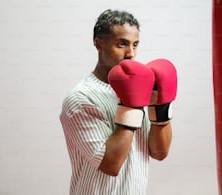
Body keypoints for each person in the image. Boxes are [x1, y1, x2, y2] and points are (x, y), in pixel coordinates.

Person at [59, 9, 177, 195]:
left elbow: (159, 153)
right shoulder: (80, 98)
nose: (131, 54)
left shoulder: (140, 86)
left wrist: (160, 106)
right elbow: (111, 165)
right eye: (122, 44)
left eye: (135, 45)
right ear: (99, 44)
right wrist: (132, 105)